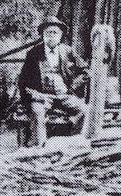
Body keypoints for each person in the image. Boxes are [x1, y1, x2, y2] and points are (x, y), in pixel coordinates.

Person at [17, 16, 88, 146]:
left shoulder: (67, 51)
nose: (51, 36)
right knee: (37, 112)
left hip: (64, 95)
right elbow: (23, 81)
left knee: (84, 110)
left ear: (60, 35)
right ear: (42, 35)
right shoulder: (33, 53)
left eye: (55, 32)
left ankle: (73, 144)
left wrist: (72, 87)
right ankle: (40, 149)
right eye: (48, 32)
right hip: (43, 97)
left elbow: (85, 72)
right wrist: (37, 95)